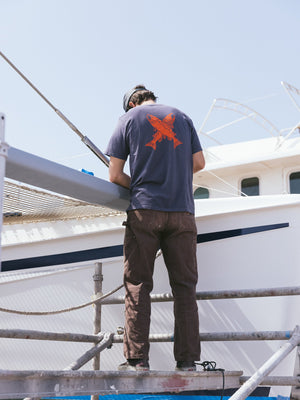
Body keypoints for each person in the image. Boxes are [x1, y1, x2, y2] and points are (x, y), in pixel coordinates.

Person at [105, 85, 205, 372]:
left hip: (145, 210)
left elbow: (114, 174)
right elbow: (198, 162)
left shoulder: (129, 119)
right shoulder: (182, 118)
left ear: (133, 102)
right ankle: (187, 362)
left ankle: (137, 360)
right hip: (183, 212)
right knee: (185, 288)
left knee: (137, 286)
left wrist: (139, 184)